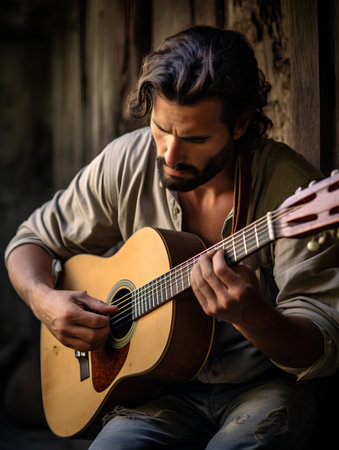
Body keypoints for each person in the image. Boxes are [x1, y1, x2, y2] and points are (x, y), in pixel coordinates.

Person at [5, 25, 339, 449]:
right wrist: (44, 301)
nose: (170, 154)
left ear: (239, 124)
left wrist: (256, 317)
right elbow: (30, 240)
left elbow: (321, 350)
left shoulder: (290, 191)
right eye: (162, 128)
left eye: (196, 138)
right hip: (156, 393)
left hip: (264, 388)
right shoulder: (128, 161)